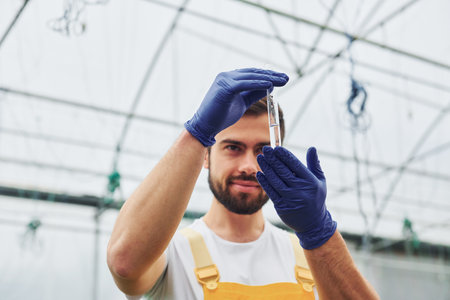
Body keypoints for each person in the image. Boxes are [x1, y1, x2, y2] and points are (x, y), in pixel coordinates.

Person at [107, 68, 380, 299]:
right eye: (233, 147)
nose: (250, 166)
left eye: (263, 150)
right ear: (205, 155)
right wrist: (196, 134)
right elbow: (125, 264)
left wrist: (319, 231)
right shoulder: (173, 253)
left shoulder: (310, 255)